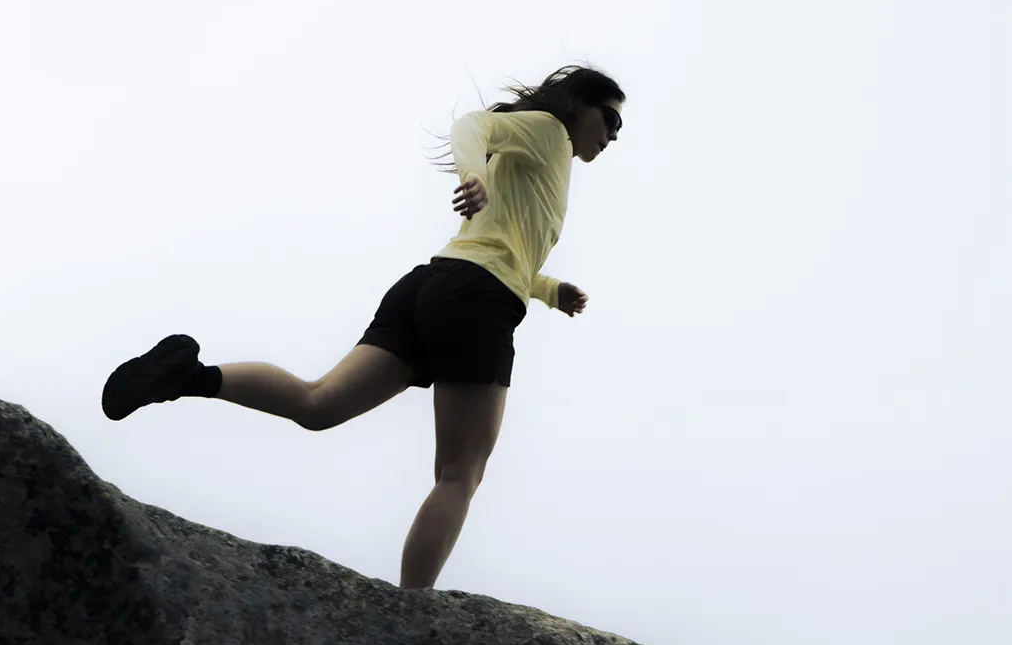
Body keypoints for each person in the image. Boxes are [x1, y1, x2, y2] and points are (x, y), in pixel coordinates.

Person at [98, 64, 626, 590]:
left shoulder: (548, 162)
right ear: (578, 104)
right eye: (610, 119)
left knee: (319, 404)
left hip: (432, 285)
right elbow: (473, 126)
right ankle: (411, 610)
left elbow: (507, 244)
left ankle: (187, 376)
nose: (613, 135)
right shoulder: (550, 132)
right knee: (459, 475)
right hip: (478, 301)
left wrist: (549, 289)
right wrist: (475, 174)